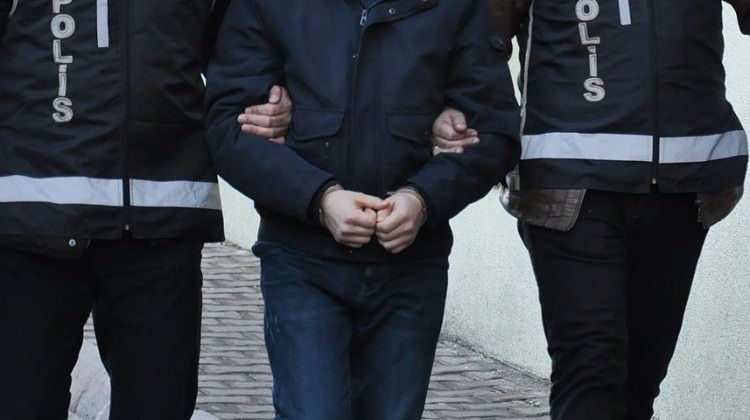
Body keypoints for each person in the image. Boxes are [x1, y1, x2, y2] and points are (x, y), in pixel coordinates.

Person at [204, 1, 521, 419]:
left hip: (411, 269)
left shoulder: (455, 6)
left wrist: (422, 199)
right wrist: (319, 198)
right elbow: (229, 129)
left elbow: (494, 133)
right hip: (302, 262)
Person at [432, 0, 749, 419]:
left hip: (684, 185)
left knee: (640, 382)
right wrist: (456, 105)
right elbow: (478, 34)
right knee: (590, 372)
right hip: (569, 190)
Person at [0, 2, 291, 419]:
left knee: (159, 404)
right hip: (29, 224)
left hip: (163, 222)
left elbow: (240, 54)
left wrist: (267, 98)